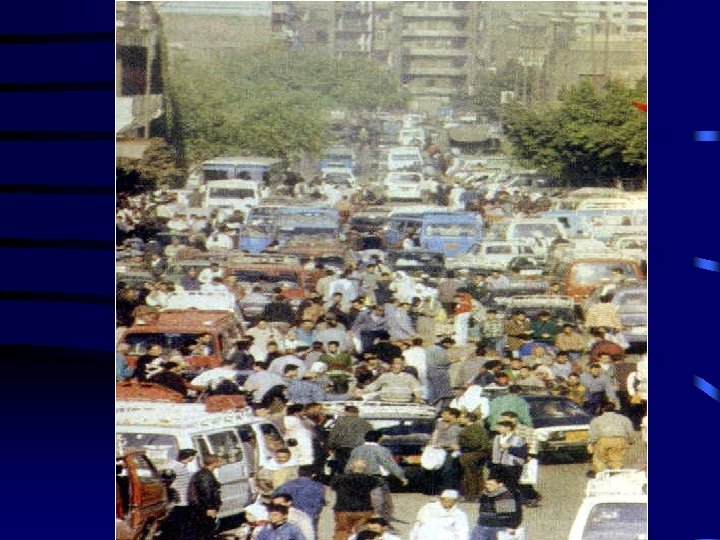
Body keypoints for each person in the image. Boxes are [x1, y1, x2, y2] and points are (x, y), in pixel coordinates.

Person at [347, 430, 409, 523]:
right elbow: (390, 465)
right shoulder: (382, 450)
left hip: (358, 477)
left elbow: (349, 465)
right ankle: (376, 519)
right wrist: (401, 476)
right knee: (378, 501)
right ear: (379, 439)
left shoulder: (356, 449)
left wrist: (348, 475)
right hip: (375, 478)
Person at [331, 459, 382, 540]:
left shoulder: (340, 478)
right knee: (362, 532)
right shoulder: (370, 479)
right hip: (364, 510)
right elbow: (378, 486)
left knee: (342, 531)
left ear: (351, 467)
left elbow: (333, 487)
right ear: (365, 468)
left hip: (343, 509)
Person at [470, 471, 523, 540]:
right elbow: (481, 511)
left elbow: (513, 515)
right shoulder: (485, 495)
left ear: (500, 485)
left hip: (498, 527)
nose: (487, 486)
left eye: (491, 484)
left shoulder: (504, 496)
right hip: (482, 525)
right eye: (486, 484)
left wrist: (512, 527)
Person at [158, 449, 197, 540]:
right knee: (178, 525)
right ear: (189, 457)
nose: (193, 458)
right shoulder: (175, 466)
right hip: (178, 501)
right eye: (193, 456)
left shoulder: (180, 466)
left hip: (184, 499)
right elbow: (165, 481)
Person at [587, 402, 635, 474]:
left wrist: (590, 443)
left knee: (599, 459)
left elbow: (593, 434)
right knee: (617, 459)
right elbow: (630, 431)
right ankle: (617, 475)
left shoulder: (596, 420)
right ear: (614, 409)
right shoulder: (624, 419)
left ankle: (602, 475)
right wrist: (631, 440)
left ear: (602, 409)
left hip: (603, 440)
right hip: (619, 440)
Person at [272, 466, 326, 531]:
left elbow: (274, 495)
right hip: (309, 517)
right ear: (313, 475)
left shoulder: (288, 484)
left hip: (291, 516)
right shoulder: (318, 486)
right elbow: (318, 503)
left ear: (298, 473)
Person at [327, 405, 373, 475]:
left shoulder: (341, 421)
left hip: (344, 449)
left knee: (344, 468)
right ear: (357, 412)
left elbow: (333, 435)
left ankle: (345, 479)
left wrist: (330, 446)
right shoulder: (366, 423)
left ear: (346, 412)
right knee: (358, 469)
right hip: (361, 449)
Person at [187, 455, 223, 540]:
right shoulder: (205, 475)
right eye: (220, 461)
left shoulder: (204, 473)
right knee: (208, 530)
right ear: (214, 463)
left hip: (201, 508)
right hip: (204, 509)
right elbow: (206, 493)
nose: (222, 463)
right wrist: (210, 508)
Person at [458, 412, 491, 501]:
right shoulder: (478, 428)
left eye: (462, 417)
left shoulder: (472, 429)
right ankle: (479, 495)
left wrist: (461, 445)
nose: (460, 419)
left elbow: (474, 443)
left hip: (472, 454)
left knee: (470, 475)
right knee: (477, 474)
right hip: (480, 454)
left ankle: (471, 495)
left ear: (468, 419)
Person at [429, 408, 463, 494]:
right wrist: (432, 443)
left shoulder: (458, 426)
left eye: (445, 414)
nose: (442, 416)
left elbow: (456, 441)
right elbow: (436, 434)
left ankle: (448, 490)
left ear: (453, 416)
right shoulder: (440, 423)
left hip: (451, 451)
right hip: (438, 450)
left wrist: (443, 445)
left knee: (448, 470)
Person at [489, 420, 528, 493]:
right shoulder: (497, 437)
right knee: (493, 483)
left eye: (500, 427)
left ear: (508, 428)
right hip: (497, 464)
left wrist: (510, 447)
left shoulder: (518, 438)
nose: (498, 429)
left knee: (511, 485)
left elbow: (523, 453)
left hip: (512, 465)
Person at [425, 337, 456, 407]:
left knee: (432, 391)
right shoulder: (440, 350)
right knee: (443, 394)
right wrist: (453, 361)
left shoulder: (430, 348)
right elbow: (442, 362)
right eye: (451, 345)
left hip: (429, 371)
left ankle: (431, 404)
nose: (450, 347)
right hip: (439, 373)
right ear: (448, 343)